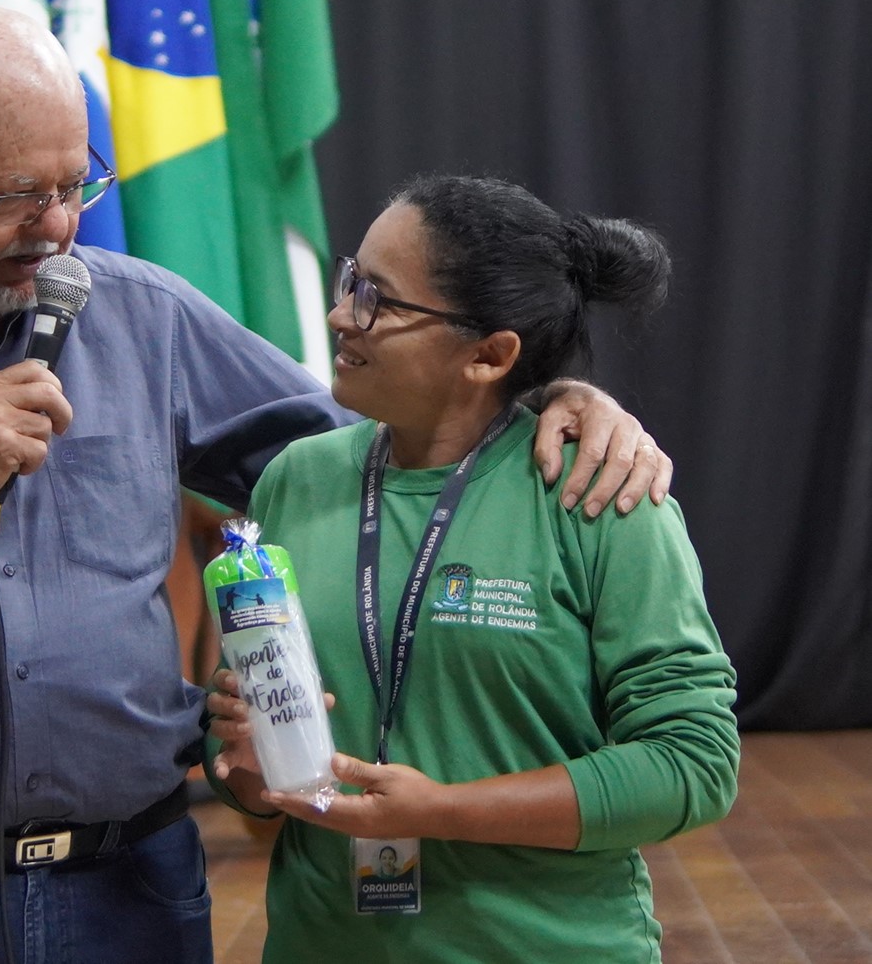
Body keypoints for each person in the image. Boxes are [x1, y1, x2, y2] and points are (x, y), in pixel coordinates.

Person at [0, 9, 672, 964]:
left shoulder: (143, 318)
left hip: (130, 889)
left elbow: (392, 453)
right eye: (17, 195)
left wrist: (542, 395)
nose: (58, 228)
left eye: (77, 185)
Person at [206, 175, 738, 964]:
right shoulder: (297, 478)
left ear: (489, 355)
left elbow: (692, 762)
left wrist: (440, 811)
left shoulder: (599, 491)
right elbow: (244, 763)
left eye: (377, 300)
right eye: (351, 280)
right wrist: (246, 764)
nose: (340, 315)